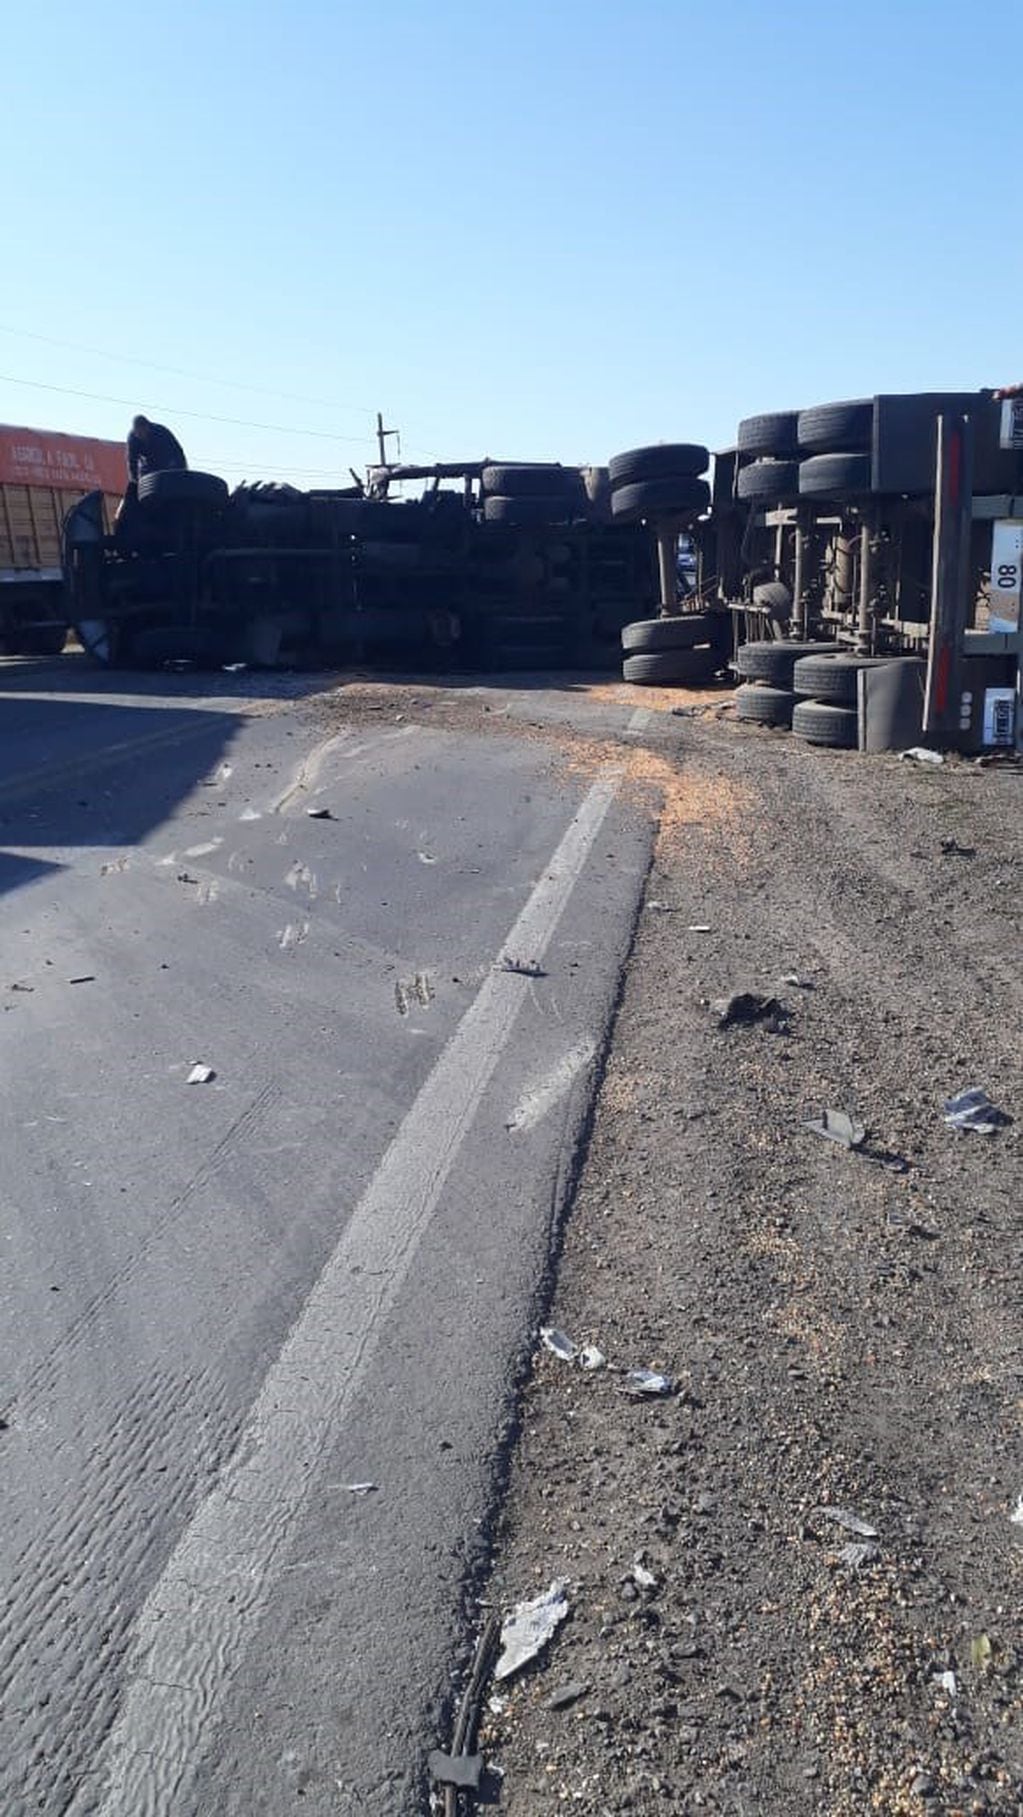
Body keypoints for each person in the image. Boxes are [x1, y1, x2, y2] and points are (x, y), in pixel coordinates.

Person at [126, 415, 187, 483]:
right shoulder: (132, 438)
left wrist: (183, 471)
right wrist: (134, 479)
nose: (140, 436)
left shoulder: (161, 432)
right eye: (137, 434)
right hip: (148, 464)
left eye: (141, 433)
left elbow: (177, 451)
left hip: (166, 461)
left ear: (147, 427)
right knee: (143, 480)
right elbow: (132, 460)